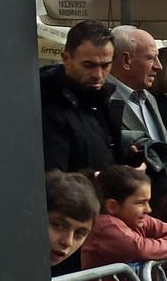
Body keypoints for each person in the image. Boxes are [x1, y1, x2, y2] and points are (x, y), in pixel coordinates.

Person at [109, 25, 167, 183]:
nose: (159, 66)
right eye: (150, 58)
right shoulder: (103, 100)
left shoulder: (151, 99)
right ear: (126, 60)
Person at [42, 20, 127, 174]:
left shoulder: (101, 102)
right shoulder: (48, 107)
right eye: (89, 65)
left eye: (105, 65)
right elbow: (55, 181)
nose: (98, 75)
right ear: (66, 59)